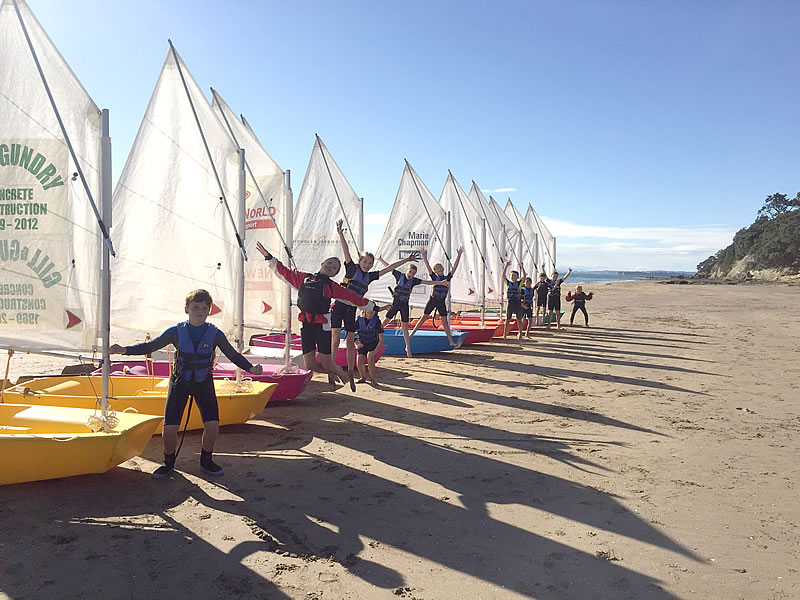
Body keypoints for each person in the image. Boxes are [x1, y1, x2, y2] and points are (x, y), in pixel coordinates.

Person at [109, 289, 264, 480]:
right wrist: (124, 350)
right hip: (180, 382)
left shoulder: (215, 334)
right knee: (170, 427)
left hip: (203, 382)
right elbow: (150, 347)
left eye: (204, 308)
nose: (199, 311)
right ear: (186, 309)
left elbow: (233, 355)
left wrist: (251, 368)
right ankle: (168, 463)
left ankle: (206, 460)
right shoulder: (175, 332)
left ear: (209, 311)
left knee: (213, 424)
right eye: (195, 307)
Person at [256, 241, 379, 391]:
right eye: (329, 263)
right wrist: (269, 257)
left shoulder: (331, 285)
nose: (330, 266)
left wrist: (370, 306)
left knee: (327, 363)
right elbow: (284, 272)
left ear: (334, 274)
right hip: (305, 325)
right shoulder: (304, 278)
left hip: (322, 326)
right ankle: (337, 371)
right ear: (322, 263)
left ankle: (338, 372)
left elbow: (351, 297)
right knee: (311, 365)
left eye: (334, 267)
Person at [331, 219, 415, 385]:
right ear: (359, 261)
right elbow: (346, 251)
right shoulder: (352, 268)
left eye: (370, 263)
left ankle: (349, 371)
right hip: (339, 306)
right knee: (334, 339)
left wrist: (406, 260)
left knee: (349, 341)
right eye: (365, 262)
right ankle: (332, 369)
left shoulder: (370, 276)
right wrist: (340, 233)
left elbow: (389, 269)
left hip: (351, 310)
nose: (367, 265)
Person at [379, 257, 450, 358]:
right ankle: (375, 337)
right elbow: (389, 267)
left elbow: (427, 282)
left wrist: (440, 283)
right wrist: (381, 259)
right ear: (406, 271)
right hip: (395, 304)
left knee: (405, 327)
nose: (411, 274)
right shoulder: (399, 275)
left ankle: (407, 347)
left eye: (413, 273)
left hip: (404, 305)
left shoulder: (414, 281)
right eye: (410, 272)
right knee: (384, 322)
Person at [408, 246, 465, 347]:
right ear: (435, 271)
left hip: (441, 302)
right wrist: (423, 254)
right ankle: (411, 334)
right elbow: (427, 266)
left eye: (440, 267)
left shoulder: (448, 277)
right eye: (436, 268)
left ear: (443, 268)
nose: (439, 269)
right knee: (424, 317)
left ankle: (451, 341)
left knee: (444, 321)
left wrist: (459, 255)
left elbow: (454, 268)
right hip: (433, 300)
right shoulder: (434, 277)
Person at [355, 306, 384, 386]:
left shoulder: (377, 322)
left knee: (370, 357)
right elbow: (351, 334)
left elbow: (381, 339)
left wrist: (375, 351)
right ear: (364, 311)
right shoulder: (359, 320)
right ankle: (363, 377)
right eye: (368, 312)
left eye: (372, 312)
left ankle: (372, 379)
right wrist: (356, 343)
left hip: (372, 343)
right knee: (359, 359)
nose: (370, 314)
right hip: (362, 343)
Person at [501, 260, 526, 340]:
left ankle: (520, 335)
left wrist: (522, 267)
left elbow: (524, 276)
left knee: (519, 319)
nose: (513, 277)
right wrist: (506, 266)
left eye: (515, 276)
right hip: (510, 302)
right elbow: (503, 275)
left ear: (517, 277)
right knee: (508, 319)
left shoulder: (519, 283)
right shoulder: (508, 283)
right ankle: (504, 335)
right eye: (512, 276)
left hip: (517, 302)